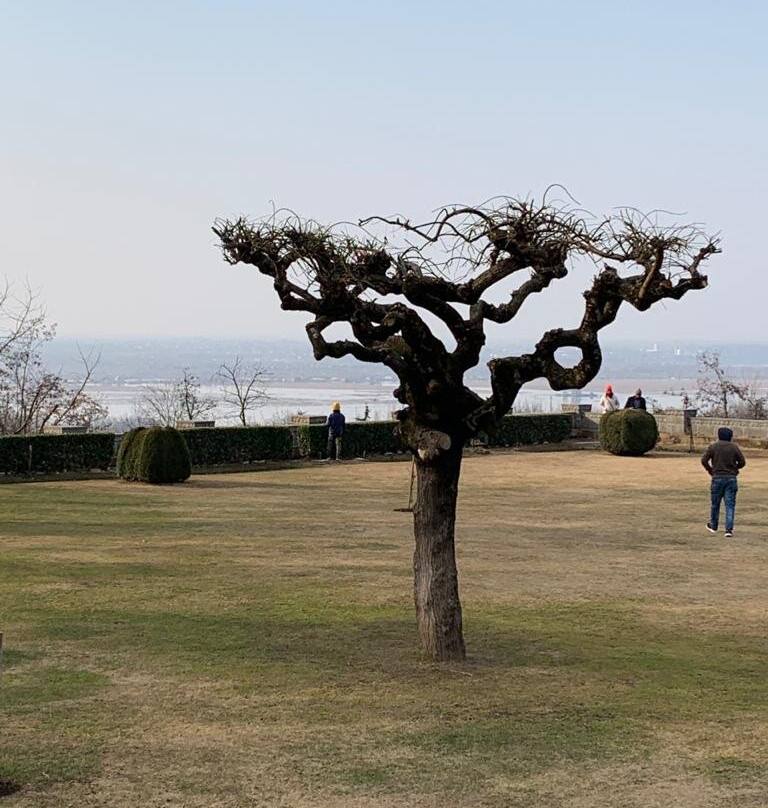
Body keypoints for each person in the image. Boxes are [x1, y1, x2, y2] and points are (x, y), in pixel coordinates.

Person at [701, 427, 746, 538]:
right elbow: (742, 462)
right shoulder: (734, 447)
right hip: (731, 478)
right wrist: (735, 468)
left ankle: (713, 525)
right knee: (730, 504)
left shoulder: (713, 447)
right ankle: (728, 529)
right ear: (730, 436)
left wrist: (710, 470)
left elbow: (704, 460)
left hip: (717, 477)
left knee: (715, 504)